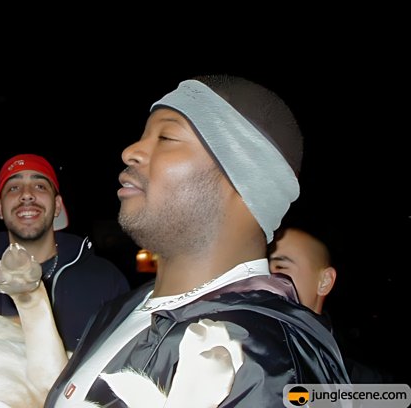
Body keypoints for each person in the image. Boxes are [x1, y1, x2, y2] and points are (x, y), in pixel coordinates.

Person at [41, 75, 350, 406]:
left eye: (167, 137)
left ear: (244, 183)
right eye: (143, 136)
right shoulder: (117, 311)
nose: (131, 151)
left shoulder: (266, 360)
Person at [0, 153, 130, 352]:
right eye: (13, 188)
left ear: (58, 206)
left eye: (40, 186)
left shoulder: (106, 281)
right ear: (0, 208)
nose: (26, 194)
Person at [268, 226, 395, 383]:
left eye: (280, 267)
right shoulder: (239, 342)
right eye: (262, 267)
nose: (265, 276)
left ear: (325, 281)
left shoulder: (366, 384)